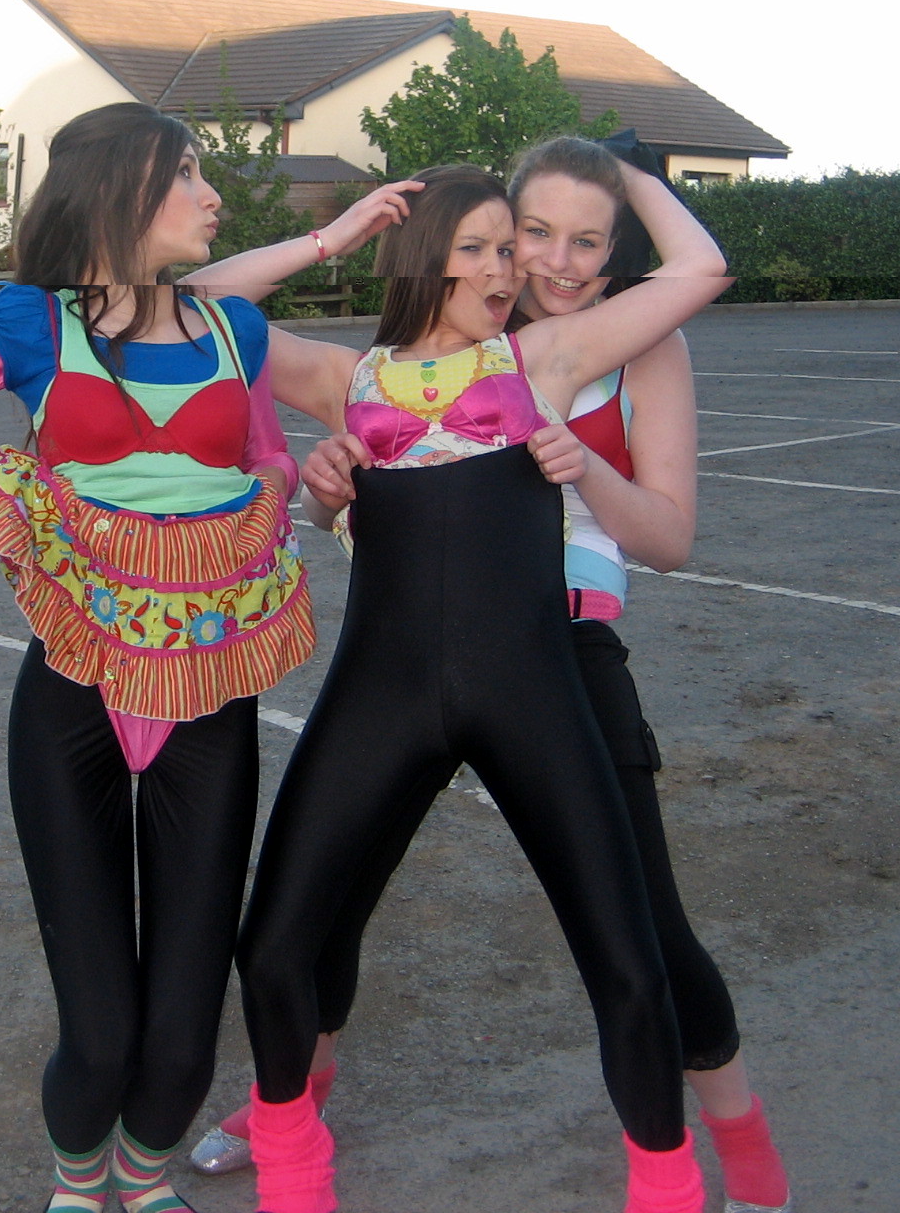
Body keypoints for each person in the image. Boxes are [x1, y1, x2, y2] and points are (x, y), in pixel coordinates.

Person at [189, 134, 792, 1213]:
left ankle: (719, 1153)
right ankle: (291, 1126)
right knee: (301, 927)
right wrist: (336, 236)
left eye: (567, 243)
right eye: (510, 241)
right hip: (390, 679)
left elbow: (699, 277)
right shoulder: (358, 375)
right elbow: (195, 304)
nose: (529, 265)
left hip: (559, 660)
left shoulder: (566, 353)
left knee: (639, 945)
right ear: (437, 248)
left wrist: (626, 170)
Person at [0, 101, 413, 1213]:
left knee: (184, 1041)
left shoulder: (232, 332)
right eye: (186, 173)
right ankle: (77, 1184)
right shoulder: (26, 322)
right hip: (73, 692)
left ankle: (142, 1181)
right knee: (98, 1037)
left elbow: (264, 459)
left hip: (208, 689)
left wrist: (278, 496)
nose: (210, 195)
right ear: (118, 190)